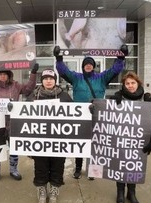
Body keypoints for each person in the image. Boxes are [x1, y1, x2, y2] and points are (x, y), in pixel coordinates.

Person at [53, 45, 128, 180]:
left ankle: (93, 170)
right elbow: (63, 71)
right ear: (83, 66)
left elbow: (115, 70)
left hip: (97, 115)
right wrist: (59, 58)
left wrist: (121, 57)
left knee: (96, 144)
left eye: (90, 64)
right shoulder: (76, 78)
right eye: (86, 64)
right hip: (80, 116)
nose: (88, 66)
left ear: (94, 66)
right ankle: (78, 168)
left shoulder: (102, 78)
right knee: (80, 143)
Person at [110, 71, 151, 203]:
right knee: (120, 166)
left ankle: (131, 193)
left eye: (133, 83)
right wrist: (94, 106)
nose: (130, 86)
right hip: (120, 139)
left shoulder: (146, 99)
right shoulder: (118, 98)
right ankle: (120, 192)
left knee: (133, 166)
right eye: (127, 83)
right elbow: (104, 112)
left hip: (138, 141)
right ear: (124, 85)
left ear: (138, 83)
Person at [26, 69, 73, 203]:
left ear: (55, 80)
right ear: (42, 80)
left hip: (59, 140)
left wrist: (88, 110)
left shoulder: (64, 97)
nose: (48, 80)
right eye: (45, 78)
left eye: (51, 78)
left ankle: (53, 190)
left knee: (57, 166)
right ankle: (41, 190)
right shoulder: (34, 96)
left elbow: (75, 117)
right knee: (40, 166)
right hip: (39, 140)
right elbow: (24, 118)